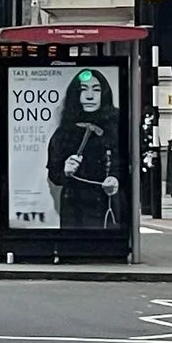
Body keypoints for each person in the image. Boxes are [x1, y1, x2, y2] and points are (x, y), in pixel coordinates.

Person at [47, 68, 122, 231]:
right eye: (83, 90)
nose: (90, 96)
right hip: (75, 205)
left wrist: (116, 178)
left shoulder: (118, 127)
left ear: (104, 94)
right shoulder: (64, 133)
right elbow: (54, 173)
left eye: (96, 90)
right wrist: (65, 170)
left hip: (105, 202)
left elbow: (127, 162)